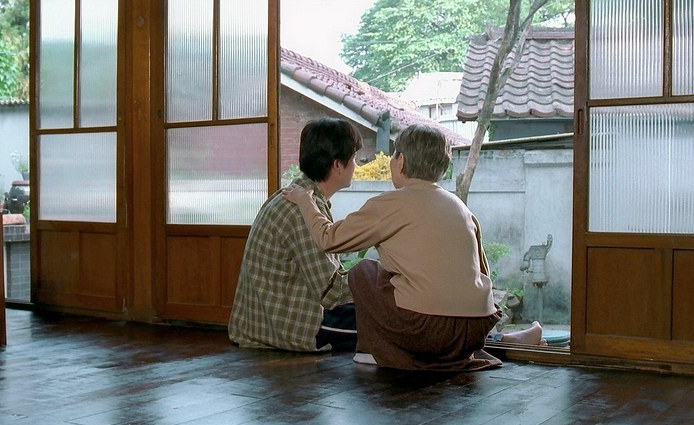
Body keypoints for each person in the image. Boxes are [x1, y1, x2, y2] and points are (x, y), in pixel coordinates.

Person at [282, 124, 544, 371]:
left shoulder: (389, 204)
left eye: (394, 154)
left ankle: (374, 351)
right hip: (473, 333)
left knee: (364, 272)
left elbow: (328, 239)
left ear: (402, 161)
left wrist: (305, 201)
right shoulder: (461, 208)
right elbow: (483, 272)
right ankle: (500, 343)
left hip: (425, 330)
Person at [228, 118, 363, 352]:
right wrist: (380, 281)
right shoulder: (301, 208)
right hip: (295, 326)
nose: (356, 165)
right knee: (388, 323)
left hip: (269, 321)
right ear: (337, 165)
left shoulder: (298, 195)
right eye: (353, 159)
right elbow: (331, 292)